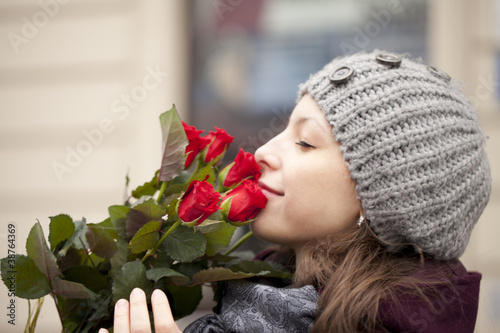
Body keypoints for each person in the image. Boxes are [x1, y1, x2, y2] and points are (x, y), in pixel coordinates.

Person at [99, 50, 491, 333]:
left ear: (380, 199)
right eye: (284, 131)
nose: (264, 152)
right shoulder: (268, 293)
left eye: (305, 142)